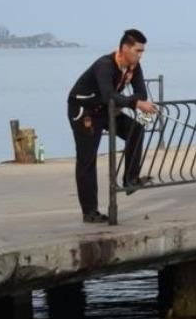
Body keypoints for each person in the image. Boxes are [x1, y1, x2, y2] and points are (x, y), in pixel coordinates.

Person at [67, 29, 158, 223]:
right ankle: (90, 212)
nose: (140, 55)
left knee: (137, 130)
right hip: (84, 110)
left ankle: (130, 179)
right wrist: (131, 103)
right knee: (87, 160)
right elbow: (109, 94)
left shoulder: (134, 67)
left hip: (107, 109)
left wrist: (126, 102)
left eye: (142, 51)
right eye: (137, 50)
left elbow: (141, 93)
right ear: (124, 48)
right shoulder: (105, 65)